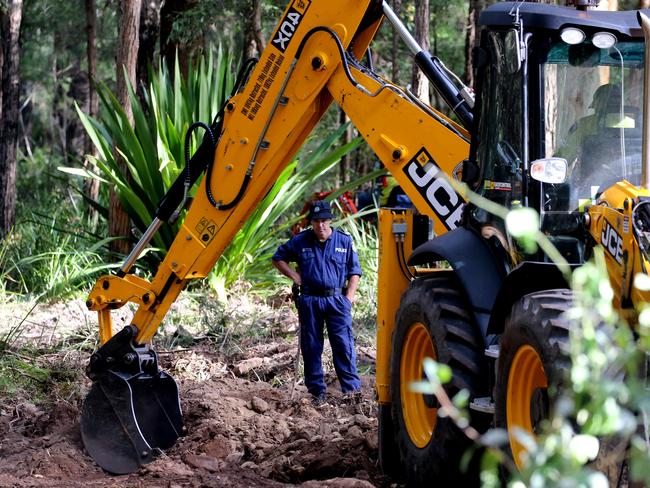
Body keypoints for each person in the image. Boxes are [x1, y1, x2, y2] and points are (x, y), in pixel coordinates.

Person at [272, 200, 362, 405]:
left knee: (343, 345)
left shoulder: (344, 241)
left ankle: (352, 392)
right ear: (311, 222)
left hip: (337, 301)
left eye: (323, 220)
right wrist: (295, 276)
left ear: (330, 220)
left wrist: (349, 298)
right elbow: (278, 257)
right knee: (311, 346)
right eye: (315, 221)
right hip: (310, 300)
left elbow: (354, 271)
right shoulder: (301, 241)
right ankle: (317, 393)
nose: (320, 225)